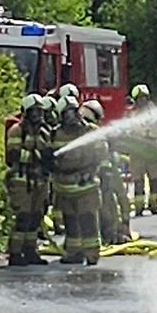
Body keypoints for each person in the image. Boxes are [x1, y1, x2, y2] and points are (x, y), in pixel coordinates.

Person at [51, 95, 102, 265]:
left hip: (85, 185)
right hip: (64, 187)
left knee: (88, 220)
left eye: (73, 112)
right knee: (70, 222)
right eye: (67, 113)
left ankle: (92, 254)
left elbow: (101, 153)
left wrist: (90, 170)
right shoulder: (55, 134)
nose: (71, 117)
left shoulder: (91, 131)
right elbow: (50, 157)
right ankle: (74, 253)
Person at [4, 94, 52, 265]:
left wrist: (50, 158)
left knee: (36, 217)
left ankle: (30, 251)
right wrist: (37, 156)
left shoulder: (44, 132)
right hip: (21, 180)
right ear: (26, 112)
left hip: (40, 181)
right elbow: (12, 155)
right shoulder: (16, 130)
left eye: (40, 111)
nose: (38, 115)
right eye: (34, 111)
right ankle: (15, 253)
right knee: (23, 217)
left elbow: (49, 152)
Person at [82, 98, 130, 246]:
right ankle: (112, 233)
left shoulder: (79, 131)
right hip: (102, 173)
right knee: (108, 203)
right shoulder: (94, 132)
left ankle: (110, 233)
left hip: (91, 175)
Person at [120, 85, 157, 215]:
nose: (142, 101)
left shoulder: (155, 113)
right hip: (137, 152)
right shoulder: (130, 115)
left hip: (152, 150)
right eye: (140, 98)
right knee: (138, 181)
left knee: (155, 180)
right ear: (135, 100)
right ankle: (139, 208)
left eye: (144, 98)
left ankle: (153, 205)